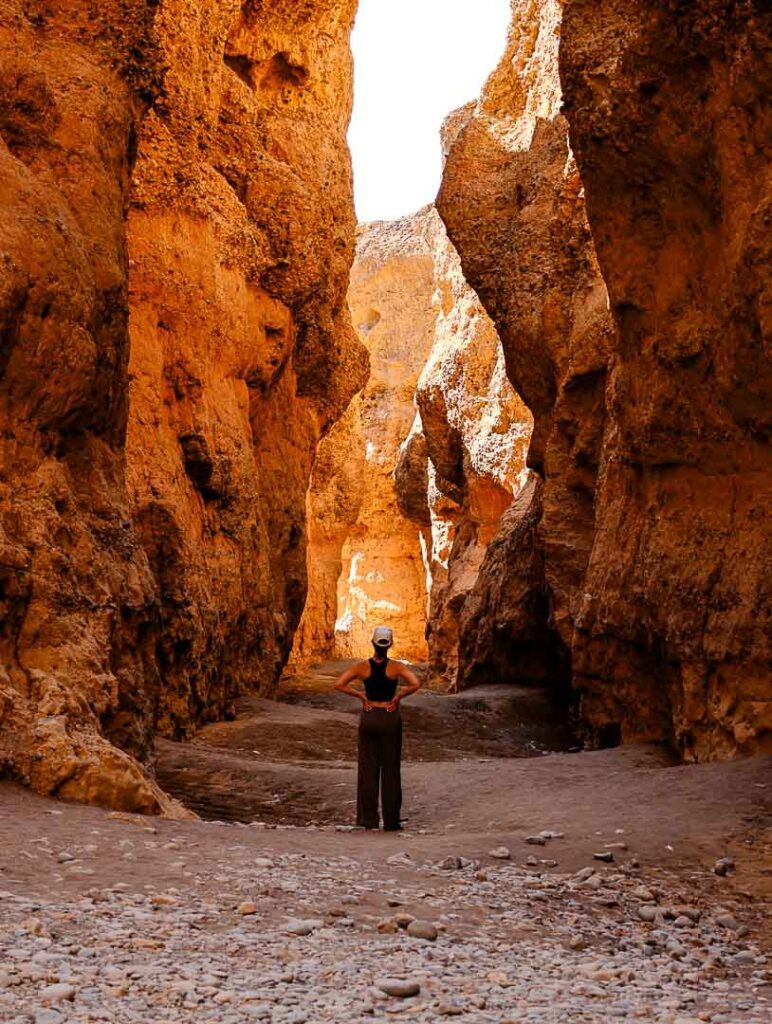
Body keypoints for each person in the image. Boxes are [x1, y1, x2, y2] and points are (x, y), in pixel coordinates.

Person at [333, 626, 421, 831]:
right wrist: (398, 696)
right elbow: (415, 683)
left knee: (367, 769)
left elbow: (339, 684)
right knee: (390, 769)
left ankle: (368, 819)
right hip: (390, 718)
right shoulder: (397, 667)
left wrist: (361, 697)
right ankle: (391, 821)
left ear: (373, 643)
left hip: (369, 717)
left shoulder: (362, 667)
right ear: (389, 645)